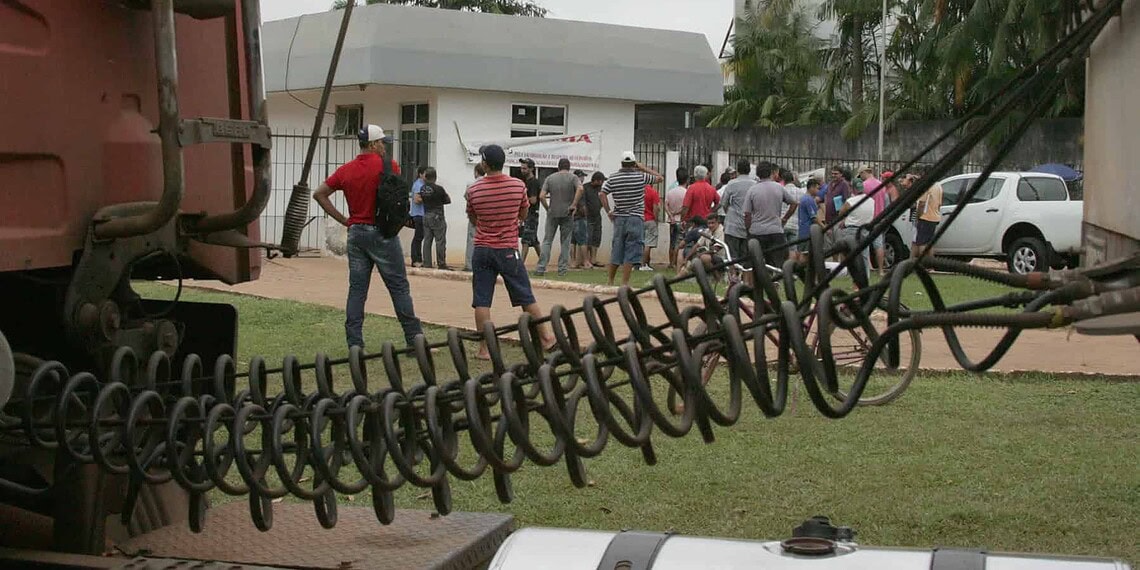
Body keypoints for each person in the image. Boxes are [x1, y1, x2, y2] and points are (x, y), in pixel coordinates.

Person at [312, 124, 423, 349]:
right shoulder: (389, 166)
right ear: (373, 144)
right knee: (398, 286)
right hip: (382, 232)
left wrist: (344, 220)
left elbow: (319, 194)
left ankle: (354, 342)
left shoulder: (346, 170)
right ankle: (414, 340)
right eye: (382, 142)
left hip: (356, 233)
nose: (384, 147)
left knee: (357, 289)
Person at [466, 144, 555, 359]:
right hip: (507, 249)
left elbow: (473, 218)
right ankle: (545, 338)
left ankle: (485, 349)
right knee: (525, 295)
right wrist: (510, 221)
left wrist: (487, 225)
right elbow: (524, 212)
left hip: (482, 249)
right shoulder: (517, 186)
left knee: (482, 299)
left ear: (485, 164)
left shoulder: (474, 189)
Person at [601, 151, 664, 286]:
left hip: (619, 217)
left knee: (617, 247)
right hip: (635, 217)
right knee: (631, 249)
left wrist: (608, 211)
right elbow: (660, 178)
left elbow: (602, 193)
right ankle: (624, 282)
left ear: (622, 163)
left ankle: (610, 281)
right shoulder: (640, 177)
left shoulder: (613, 178)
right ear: (633, 163)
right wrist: (642, 167)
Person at [742, 162, 798, 267]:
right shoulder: (779, 188)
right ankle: (776, 281)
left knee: (753, 263)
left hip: (757, 231)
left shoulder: (752, 190)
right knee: (777, 263)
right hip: (775, 230)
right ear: (771, 173)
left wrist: (748, 229)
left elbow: (747, 214)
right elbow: (794, 203)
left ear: (758, 174)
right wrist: (785, 218)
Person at [535, 158, 584, 276]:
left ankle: (541, 267)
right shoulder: (573, 178)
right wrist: (573, 204)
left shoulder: (550, 178)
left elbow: (541, 196)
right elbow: (581, 188)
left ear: (558, 167)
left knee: (547, 241)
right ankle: (562, 269)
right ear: (569, 167)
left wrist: (548, 209)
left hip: (553, 212)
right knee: (565, 242)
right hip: (567, 212)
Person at [717, 159, 756, 279]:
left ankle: (732, 278)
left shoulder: (731, 184)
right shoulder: (755, 184)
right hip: (749, 224)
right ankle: (745, 279)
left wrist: (729, 212)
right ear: (749, 170)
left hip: (732, 224)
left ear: (738, 170)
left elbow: (723, 203)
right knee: (746, 255)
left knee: (731, 255)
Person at [838, 181, 877, 285]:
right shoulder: (871, 200)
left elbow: (841, 213)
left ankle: (855, 278)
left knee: (852, 255)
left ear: (853, 189)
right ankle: (866, 277)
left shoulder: (850, 201)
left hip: (852, 229)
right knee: (864, 254)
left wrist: (845, 219)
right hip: (865, 229)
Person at [856, 164, 887, 274]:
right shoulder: (881, 184)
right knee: (878, 245)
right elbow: (885, 201)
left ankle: (867, 267)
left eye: (860, 175)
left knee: (865, 245)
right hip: (879, 217)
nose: (861, 177)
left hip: (867, 218)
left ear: (864, 172)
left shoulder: (864, 186)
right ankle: (881, 270)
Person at [419, 167, 450, 269]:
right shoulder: (438, 189)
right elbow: (447, 200)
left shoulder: (422, 189)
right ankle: (441, 263)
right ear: (435, 177)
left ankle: (427, 263)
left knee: (427, 240)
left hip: (426, 214)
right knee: (440, 240)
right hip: (437, 215)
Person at [910, 172, 943, 259]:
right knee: (929, 243)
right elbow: (939, 204)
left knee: (921, 243)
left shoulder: (927, 186)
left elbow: (921, 203)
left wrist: (918, 217)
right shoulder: (938, 186)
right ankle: (931, 264)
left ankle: (922, 263)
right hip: (935, 217)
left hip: (925, 217)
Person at [664, 168, 689, 270]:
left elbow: (665, 205)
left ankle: (671, 262)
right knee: (679, 243)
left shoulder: (671, 191)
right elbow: (685, 208)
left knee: (672, 242)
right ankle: (675, 262)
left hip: (672, 221)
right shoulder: (686, 193)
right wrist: (677, 213)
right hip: (681, 220)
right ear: (687, 179)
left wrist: (670, 215)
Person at [517, 158, 542, 264]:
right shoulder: (526, 182)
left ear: (531, 169)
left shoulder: (533, 182)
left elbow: (533, 200)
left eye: (525, 168)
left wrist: (522, 199)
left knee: (525, 240)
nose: (522, 170)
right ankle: (542, 261)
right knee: (534, 241)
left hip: (532, 214)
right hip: (527, 214)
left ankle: (521, 265)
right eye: (521, 168)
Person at [792, 178, 822, 263]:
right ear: (811, 187)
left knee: (802, 252)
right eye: (817, 188)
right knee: (805, 254)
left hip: (802, 230)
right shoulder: (808, 200)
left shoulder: (804, 198)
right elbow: (814, 217)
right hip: (807, 231)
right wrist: (824, 227)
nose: (818, 191)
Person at [463, 163, 486, 272]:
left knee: (472, 240)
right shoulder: (488, 183)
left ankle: (469, 265)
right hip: (486, 217)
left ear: (476, 172)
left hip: (474, 215)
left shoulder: (471, 184)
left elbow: (466, 196)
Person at [583, 171, 606, 268]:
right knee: (588, 238)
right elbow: (583, 202)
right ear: (596, 180)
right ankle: (586, 260)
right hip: (588, 217)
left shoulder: (600, 189)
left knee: (597, 237)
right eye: (601, 181)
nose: (602, 183)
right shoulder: (586, 187)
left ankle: (593, 258)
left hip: (597, 216)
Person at [639, 182, 662, 271]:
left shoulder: (639, 192)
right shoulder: (653, 192)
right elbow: (656, 208)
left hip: (640, 219)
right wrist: (656, 219)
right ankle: (644, 264)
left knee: (641, 243)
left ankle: (640, 263)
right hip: (650, 219)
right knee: (648, 243)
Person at [409, 166, 428, 267]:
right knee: (418, 237)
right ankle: (415, 259)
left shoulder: (424, 184)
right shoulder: (418, 185)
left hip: (422, 214)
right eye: (425, 173)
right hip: (418, 214)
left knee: (420, 237)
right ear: (420, 174)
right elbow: (416, 199)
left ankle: (419, 258)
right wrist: (428, 198)